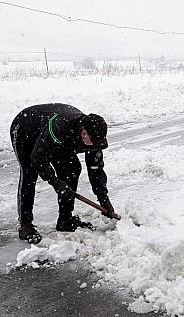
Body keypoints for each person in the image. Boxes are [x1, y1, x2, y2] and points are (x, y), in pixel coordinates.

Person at [10, 103, 118, 244]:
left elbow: (95, 169)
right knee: (29, 172)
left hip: (55, 139)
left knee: (72, 169)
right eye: (94, 141)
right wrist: (55, 182)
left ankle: (65, 220)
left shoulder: (94, 136)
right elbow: (39, 158)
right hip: (26, 130)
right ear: (84, 133)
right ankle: (25, 225)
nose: (96, 144)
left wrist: (103, 198)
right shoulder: (60, 126)